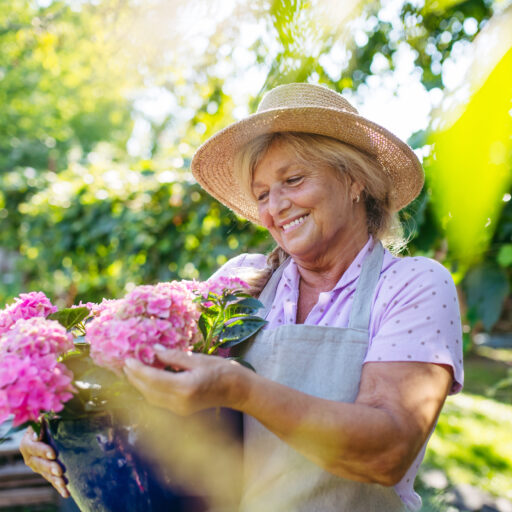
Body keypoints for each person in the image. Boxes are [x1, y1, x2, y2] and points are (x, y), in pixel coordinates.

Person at [20, 83, 463, 511]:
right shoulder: (240, 281)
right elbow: (147, 395)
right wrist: (61, 425)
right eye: (263, 194)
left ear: (354, 181)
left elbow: (388, 451)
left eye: (293, 179)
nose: (276, 207)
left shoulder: (412, 285)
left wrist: (241, 389)